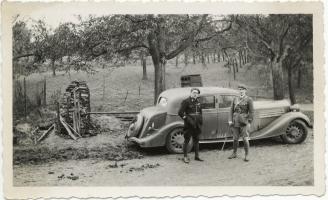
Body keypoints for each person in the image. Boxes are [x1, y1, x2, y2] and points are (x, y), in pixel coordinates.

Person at [228, 84, 254, 162]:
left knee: (245, 138)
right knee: (235, 138)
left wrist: (249, 122)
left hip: (244, 121)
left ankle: (247, 155)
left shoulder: (249, 99)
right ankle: (234, 153)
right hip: (235, 121)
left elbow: (251, 112)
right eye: (239, 89)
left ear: (245, 90)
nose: (241, 91)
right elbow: (231, 110)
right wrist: (230, 120)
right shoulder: (235, 99)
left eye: (242, 89)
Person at [178, 88, 203, 164]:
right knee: (187, 140)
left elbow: (200, 112)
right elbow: (180, 112)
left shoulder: (198, 102)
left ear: (198, 94)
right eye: (193, 92)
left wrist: (200, 120)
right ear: (191, 93)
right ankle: (185, 157)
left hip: (197, 124)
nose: (195, 94)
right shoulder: (186, 101)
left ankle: (197, 156)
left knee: (196, 140)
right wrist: (187, 119)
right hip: (189, 124)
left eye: (196, 93)